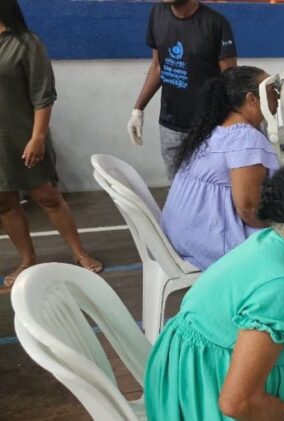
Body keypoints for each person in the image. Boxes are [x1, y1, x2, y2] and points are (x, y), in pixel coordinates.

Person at [145, 163, 284, 421]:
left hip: (189, 365)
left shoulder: (270, 242)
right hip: (206, 388)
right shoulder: (282, 287)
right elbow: (235, 403)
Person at [0, 0, 102, 287]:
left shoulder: (26, 43)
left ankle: (79, 253)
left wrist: (38, 137)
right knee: (4, 202)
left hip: (23, 136)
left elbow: (42, 93)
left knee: (47, 196)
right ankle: (27, 259)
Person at [160, 66, 280, 270]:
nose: (277, 96)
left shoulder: (216, 128)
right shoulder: (245, 138)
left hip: (181, 233)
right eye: (270, 91)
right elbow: (248, 208)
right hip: (208, 242)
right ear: (252, 99)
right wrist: (283, 225)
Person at [127, 0, 237, 180]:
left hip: (208, 129)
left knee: (209, 189)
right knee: (178, 190)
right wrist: (137, 110)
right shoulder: (157, 14)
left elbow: (230, 80)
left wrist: (234, 127)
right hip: (170, 127)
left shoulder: (216, 24)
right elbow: (158, 66)